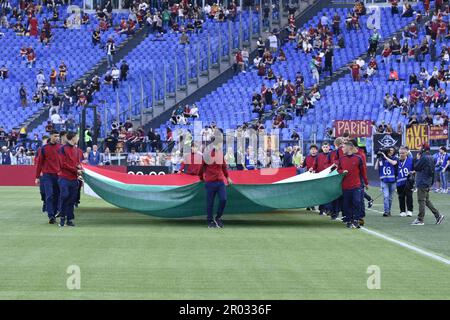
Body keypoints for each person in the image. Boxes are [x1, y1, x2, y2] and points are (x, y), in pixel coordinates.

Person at [198, 142, 233, 228]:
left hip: (220, 182)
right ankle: (210, 221)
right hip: (210, 182)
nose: (220, 145)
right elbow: (201, 168)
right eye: (219, 143)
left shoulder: (220, 154)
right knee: (210, 203)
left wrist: (227, 177)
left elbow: (224, 167)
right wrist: (202, 178)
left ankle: (218, 218)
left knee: (223, 199)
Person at [336, 141, 369, 228]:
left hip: (356, 185)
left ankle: (356, 220)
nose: (342, 149)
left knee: (357, 202)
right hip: (345, 186)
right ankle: (349, 220)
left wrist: (366, 182)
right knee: (347, 204)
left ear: (349, 148)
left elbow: (363, 172)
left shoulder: (358, 158)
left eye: (343, 147)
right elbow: (338, 170)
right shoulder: (341, 159)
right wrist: (342, 171)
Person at [411, 143, 445, 225]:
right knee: (426, 201)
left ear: (423, 149)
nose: (419, 149)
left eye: (420, 147)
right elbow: (432, 171)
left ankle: (420, 219)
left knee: (421, 200)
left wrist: (416, 159)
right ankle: (438, 216)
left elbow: (415, 167)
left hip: (422, 182)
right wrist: (431, 183)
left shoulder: (424, 157)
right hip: (428, 181)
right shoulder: (432, 157)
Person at [35, 130, 60, 224]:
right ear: (51, 136)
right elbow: (39, 163)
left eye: (58, 136)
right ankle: (51, 215)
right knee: (49, 195)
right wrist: (37, 176)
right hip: (47, 175)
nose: (57, 138)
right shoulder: (44, 148)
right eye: (55, 136)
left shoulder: (60, 147)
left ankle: (55, 212)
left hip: (58, 175)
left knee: (57, 195)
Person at [58, 132, 82, 227]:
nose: (78, 139)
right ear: (72, 138)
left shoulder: (76, 150)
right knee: (64, 196)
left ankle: (69, 219)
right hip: (64, 177)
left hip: (73, 179)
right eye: (77, 137)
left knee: (72, 200)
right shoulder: (62, 149)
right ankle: (62, 217)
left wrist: (79, 167)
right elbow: (63, 164)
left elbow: (76, 162)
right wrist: (76, 170)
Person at [374, 147, 398, 217]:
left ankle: (388, 210)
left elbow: (394, 163)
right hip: (384, 181)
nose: (391, 152)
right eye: (389, 151)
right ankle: (386, 211)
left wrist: (385, 157)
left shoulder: (394, 158)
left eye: (392, 150)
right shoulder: (381, 159)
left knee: (390, 197)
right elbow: (376, 168)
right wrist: (378, 159)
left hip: (392, 181)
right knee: (386, 196)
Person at [396, 146, 414, 217]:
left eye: (403, 153)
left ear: (406, 153)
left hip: (408, 182)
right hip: (399, 182)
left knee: (409, 196)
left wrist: (412, 173)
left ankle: (409, 210)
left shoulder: (411, 160)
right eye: (400, 153)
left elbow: (415, 169)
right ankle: (402, 211)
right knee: (401, 197)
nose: (401, 154)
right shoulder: (396, 161)